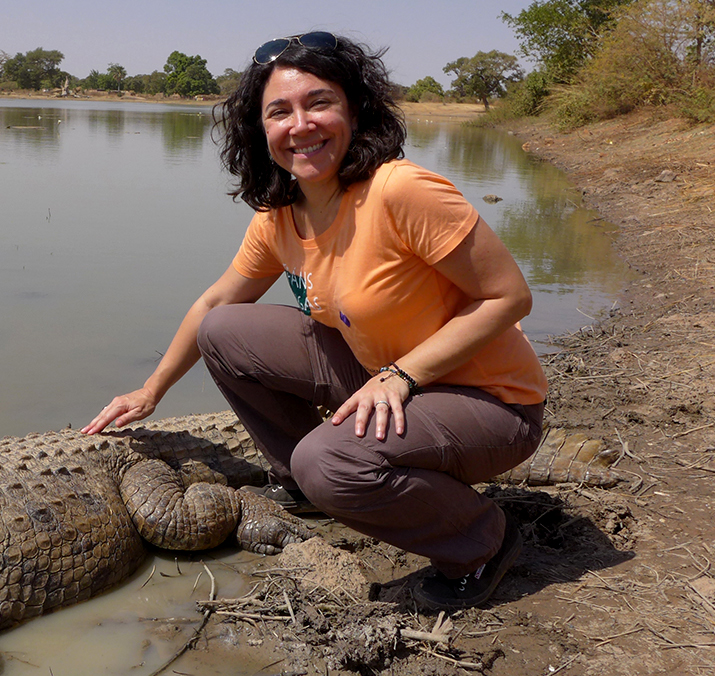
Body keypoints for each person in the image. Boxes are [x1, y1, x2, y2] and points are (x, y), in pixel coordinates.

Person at [81, 32, 547, 610]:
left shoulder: (401, 191)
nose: (301, 124)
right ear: (260, 129)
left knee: (328, 460)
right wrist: (151, 389)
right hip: (386, 377)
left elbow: (509, 298)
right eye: (280, 111)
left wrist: (401, 376)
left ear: (355, 111)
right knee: (223, 331)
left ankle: (480, 542)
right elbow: (212, 306)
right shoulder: (281, 213)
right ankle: (308, 485)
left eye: (319, 103)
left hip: (491, 403)